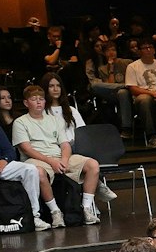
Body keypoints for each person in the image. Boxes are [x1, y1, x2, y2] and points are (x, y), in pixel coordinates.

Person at [13, 84, 101, 227]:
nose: (39, 102)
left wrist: (64, 160)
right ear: (26, 103)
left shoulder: (54, 119)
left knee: (93, 165)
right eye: (34, 99)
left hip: (59, 156)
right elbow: (26, 148)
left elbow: (65, 144)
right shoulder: (21, 122)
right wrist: (51, 161)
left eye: (41, 99)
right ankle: (55, 212)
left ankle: (86, 209)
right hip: (36, 159)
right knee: (39, 173)